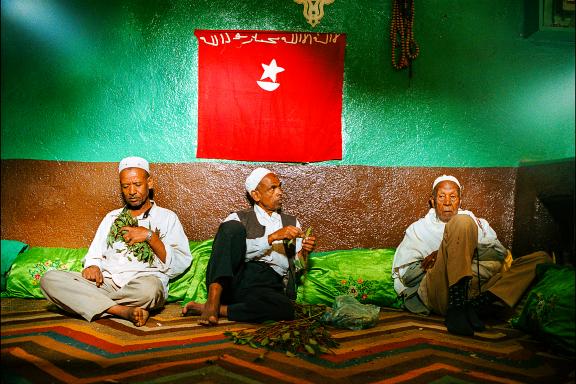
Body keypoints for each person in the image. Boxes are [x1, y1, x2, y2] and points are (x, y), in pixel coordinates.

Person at [40, 156, 192, 327]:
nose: (132, 191)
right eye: (125, 186)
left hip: (142, 284)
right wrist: (93, 266)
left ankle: (86, 303)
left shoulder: (167, 217)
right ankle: (121, 310)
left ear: (149, 183)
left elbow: (180, 264)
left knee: (151, 291)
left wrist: (150, 236)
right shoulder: (111, 218)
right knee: (50, 279)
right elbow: (94, 254)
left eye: (137, 184)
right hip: (107, 283)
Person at [392, 175, 551, 336]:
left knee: (541, 259)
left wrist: (450, 250)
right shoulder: (419, 229)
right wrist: (444, 255)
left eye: (453, 196)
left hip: (478, 289)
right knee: (461, 222)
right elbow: (408, 278)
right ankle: (457, 306)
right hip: (440, 291)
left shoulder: (478, 223)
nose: (447, 202)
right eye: (441, 196)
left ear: (459, 201)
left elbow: (499, 256)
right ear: (433, 201)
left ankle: (476, 306)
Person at [182, 167, 316, 325]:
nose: (279, 192)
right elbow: (230, 254)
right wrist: (273, 237)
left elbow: (295, 267)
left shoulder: (292, 222)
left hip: (270, 283)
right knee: (231, 228)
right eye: (272, 188)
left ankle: (214, 309)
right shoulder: (238, 218)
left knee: (285, 309)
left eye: (280, 186)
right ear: (256, 195)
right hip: (240, 279)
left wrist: (304, 254)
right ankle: (213, 299)